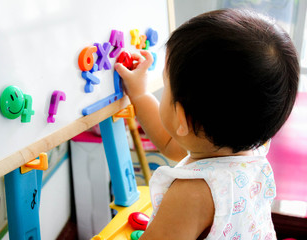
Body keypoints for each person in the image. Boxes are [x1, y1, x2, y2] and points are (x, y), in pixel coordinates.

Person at [114, 8, 299, 240]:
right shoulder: (248, 148)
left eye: (165, 83)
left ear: (182, 118)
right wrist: (139, 94)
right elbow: (171, 142)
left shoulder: (190, 194)